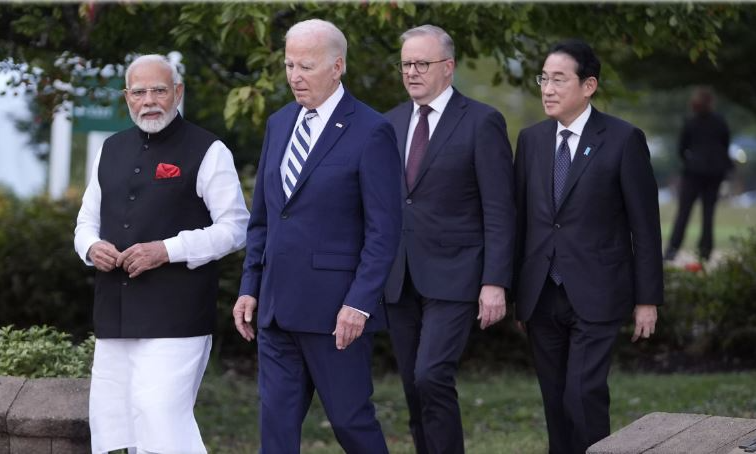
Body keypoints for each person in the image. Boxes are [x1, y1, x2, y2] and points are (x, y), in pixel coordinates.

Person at [231, 19, 401, 454]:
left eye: (305, 65)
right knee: (276, 429)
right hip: (275, 310)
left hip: (336, 313)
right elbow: (264, 218)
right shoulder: (279, 123)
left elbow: (384, 231)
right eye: (289, 65)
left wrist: (359, 303)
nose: (294, 76)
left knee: (351, 423)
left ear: (337, 66)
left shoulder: (371, 129)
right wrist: (250, 286)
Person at [74, 54, 249, 454]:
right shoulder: (110, 148)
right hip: (114, 312)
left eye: (159, 90)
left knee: (160, 417)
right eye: (139, 92)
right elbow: (85, 221)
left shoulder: (209, 149)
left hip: (178, 315)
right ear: (126, 97)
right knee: (120, 422)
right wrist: (91, 247)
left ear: (177, 93)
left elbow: (236, 228)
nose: (149, 100)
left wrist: (167, 250)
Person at [513, 39, 663, 454]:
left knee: (583, 395)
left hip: (598, 292)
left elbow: (645, 227)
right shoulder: (530, 141)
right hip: (541, 294)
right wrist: (514, 291)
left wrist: (647, 299)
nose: (547, 88)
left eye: (559, 79)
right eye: (543, 78)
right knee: (555, 401)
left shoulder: (622, 139)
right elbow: (521, 221)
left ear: (589, 85)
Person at [382, 24, 515, 454]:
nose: (413, 72)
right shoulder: (389, 123)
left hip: (457, 276)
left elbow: (499, 209)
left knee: (431, 376)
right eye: (407, 64)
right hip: (399, 277)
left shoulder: (481, 122)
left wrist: (495, 282)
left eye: (422, 63)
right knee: (412, 388)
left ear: (449, 67)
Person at [665, 87, 732, 261]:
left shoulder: (691, 122)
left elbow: (682, 148)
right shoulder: (720, 122)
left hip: (693, 172)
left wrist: (690, 161)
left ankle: (673, 249)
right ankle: (705, 250)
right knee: (708, 213)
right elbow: (725, 145)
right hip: (715, 172)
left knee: (684, 212)